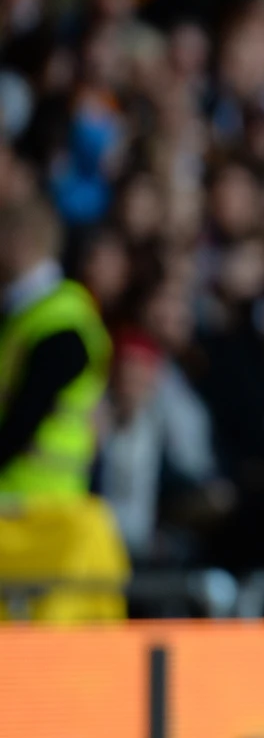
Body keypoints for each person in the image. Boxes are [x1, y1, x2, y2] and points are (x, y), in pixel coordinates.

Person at [0, 190, 127, 620]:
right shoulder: (26, 315)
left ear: (19, 241)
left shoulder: (60, 321)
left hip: (41, 518)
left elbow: (21, 422)